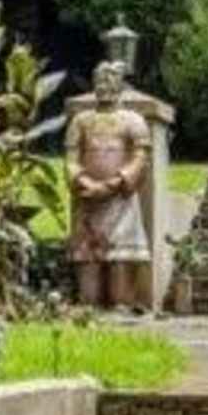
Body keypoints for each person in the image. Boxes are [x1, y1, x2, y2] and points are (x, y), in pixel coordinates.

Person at [64, 60, 158, 313]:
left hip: (121, 200)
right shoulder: (81, 121)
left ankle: (122, 303)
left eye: (109, 81)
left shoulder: (133, 121)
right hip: (88, 200)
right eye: (99, 81)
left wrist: (114, 183)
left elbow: (140, 158)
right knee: (88, 268)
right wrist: (84, 182)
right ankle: (89, 306)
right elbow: (71, 159)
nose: (103, 87)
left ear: (120, 85)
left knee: (121, 259)